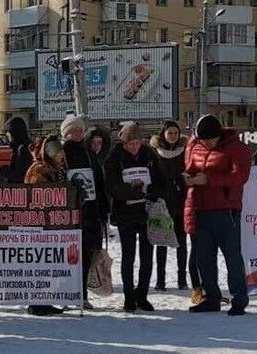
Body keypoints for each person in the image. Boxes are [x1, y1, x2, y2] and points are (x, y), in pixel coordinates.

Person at [184, 115, 252, 316]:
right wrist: (188, 178)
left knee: (232, 257)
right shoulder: (195, 145)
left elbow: (241, 176)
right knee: (204, 258)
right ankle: (211, 297)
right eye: (203, 140)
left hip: (226, 210)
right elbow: (191, 168)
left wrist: (209, 180)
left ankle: (239, 299)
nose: (206, 143)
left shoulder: (236, 147)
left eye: (210, 140)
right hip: (201, 208)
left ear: (219, 135)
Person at [104, 122, 167, 313]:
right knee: (128, 256)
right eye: (130, 143)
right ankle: (129, 296)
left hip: (147, 212)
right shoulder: (114, 158)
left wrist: (152, 192)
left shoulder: (149, 155)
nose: (134, 147)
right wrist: (134, 191)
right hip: (125, 214)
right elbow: (112, 187)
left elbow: (160, 180)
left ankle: (143, 295)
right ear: (123, 143)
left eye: (137, 143)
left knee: (147, 256)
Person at [64, 117, 112, 310]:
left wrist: (104, 210)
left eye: (80, 131)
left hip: (91, 213)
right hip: (69, 214)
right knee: (69, 256)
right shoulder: (63, 153)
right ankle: (67, 293)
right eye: (73, 130)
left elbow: (99, 183)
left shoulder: (89, 154)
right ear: (66, 133)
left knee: (87, 255)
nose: (77, 134)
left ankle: (82, 294)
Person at [25, 134, 72, 317]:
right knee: (40, 263)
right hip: (40, 223)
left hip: (53, 222)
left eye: (62, 152)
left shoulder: (57, 169)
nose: (61, 155)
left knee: (49, 263)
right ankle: (37, 302)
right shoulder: (40, 169)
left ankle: (44, 300)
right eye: (57, 152)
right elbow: (40, 195)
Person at [151, 120, 195, 293]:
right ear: (163, 134)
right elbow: (152, 176)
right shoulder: (155, 153)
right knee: (161, 242)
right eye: (170, 133)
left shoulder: (185, 151)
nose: (173, 136)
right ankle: (160, 280)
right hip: (162, 204)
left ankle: (182, 279)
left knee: (181, 243)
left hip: (180, 203)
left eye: (176, 133)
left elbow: (190, 172)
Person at [5, 116, 34, 183]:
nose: (6, 134)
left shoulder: (24, 149)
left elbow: (21, 176)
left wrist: (1, 170)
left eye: (8, 131)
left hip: (22, 190)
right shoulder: (19, 147)